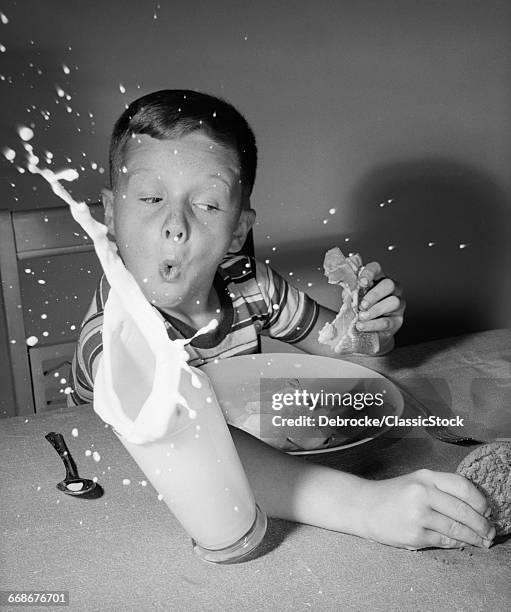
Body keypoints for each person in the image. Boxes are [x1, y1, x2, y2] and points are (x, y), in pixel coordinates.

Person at [69, 89, 495, 551]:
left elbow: (339, 348)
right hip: (131, 503)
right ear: (111, 213)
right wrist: (364, 506)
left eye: (208, 204)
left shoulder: (250, 283)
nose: (176, 224)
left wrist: (368, 331)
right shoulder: (113, 336)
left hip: (263, 463)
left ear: (237, 229)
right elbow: (194, 453)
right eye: (151, 197)